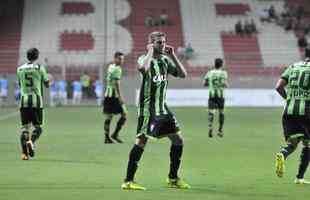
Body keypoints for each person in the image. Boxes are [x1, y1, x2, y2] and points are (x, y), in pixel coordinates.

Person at [121, 31, 190, 190]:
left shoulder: (165, 61)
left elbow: (182, 74)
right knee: (141, 140)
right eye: (159, 42)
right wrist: (150, 51)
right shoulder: (144, 59)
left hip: (163, 108)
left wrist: (173, 55)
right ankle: (128, 181)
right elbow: (143, 69)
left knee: (178, 140)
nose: (163, 45)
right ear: (151, 44)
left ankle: (173, 178)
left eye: (164, 42)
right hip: (148, 109)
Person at [275, 56, 310, 184]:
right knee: (308, 144)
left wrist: (289, 99)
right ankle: (299, 177)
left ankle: (283, 154)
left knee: (293, 143)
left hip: (289, 110)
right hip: (307, 111)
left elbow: (278, 87)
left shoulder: (293, 66)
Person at [17, 48, 49, 160]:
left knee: (25, 128)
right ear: (36, 56)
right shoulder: (39, 68)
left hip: (24, 100)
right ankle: (31, 141)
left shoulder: (20, 69)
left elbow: (20, 85)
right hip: (36, 101)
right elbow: (47, 84)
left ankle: (24, 154)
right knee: (38, 128)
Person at [103, 52, 127, 143]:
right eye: (120, 59)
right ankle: (115, 134)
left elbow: (109, 80)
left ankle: (107, 137)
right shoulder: (118, 69)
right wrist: (120, 97)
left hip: (107, 95)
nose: (122, 61)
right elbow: (117, 83)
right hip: (114, 96)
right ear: (115, 58)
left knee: (109, 117)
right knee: (124, 114)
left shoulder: (110, 66)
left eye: (122, 59)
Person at [203, 58, 228, 138]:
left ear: (215, 64)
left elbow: (204, 83)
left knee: (211, 112)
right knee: (221, 112)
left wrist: (210, 85)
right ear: (221, 64)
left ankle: (210, 127)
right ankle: (220, 131)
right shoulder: (224, 73)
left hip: (212, 95)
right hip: (221, 96)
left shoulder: (210, 72)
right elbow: (225, 84)